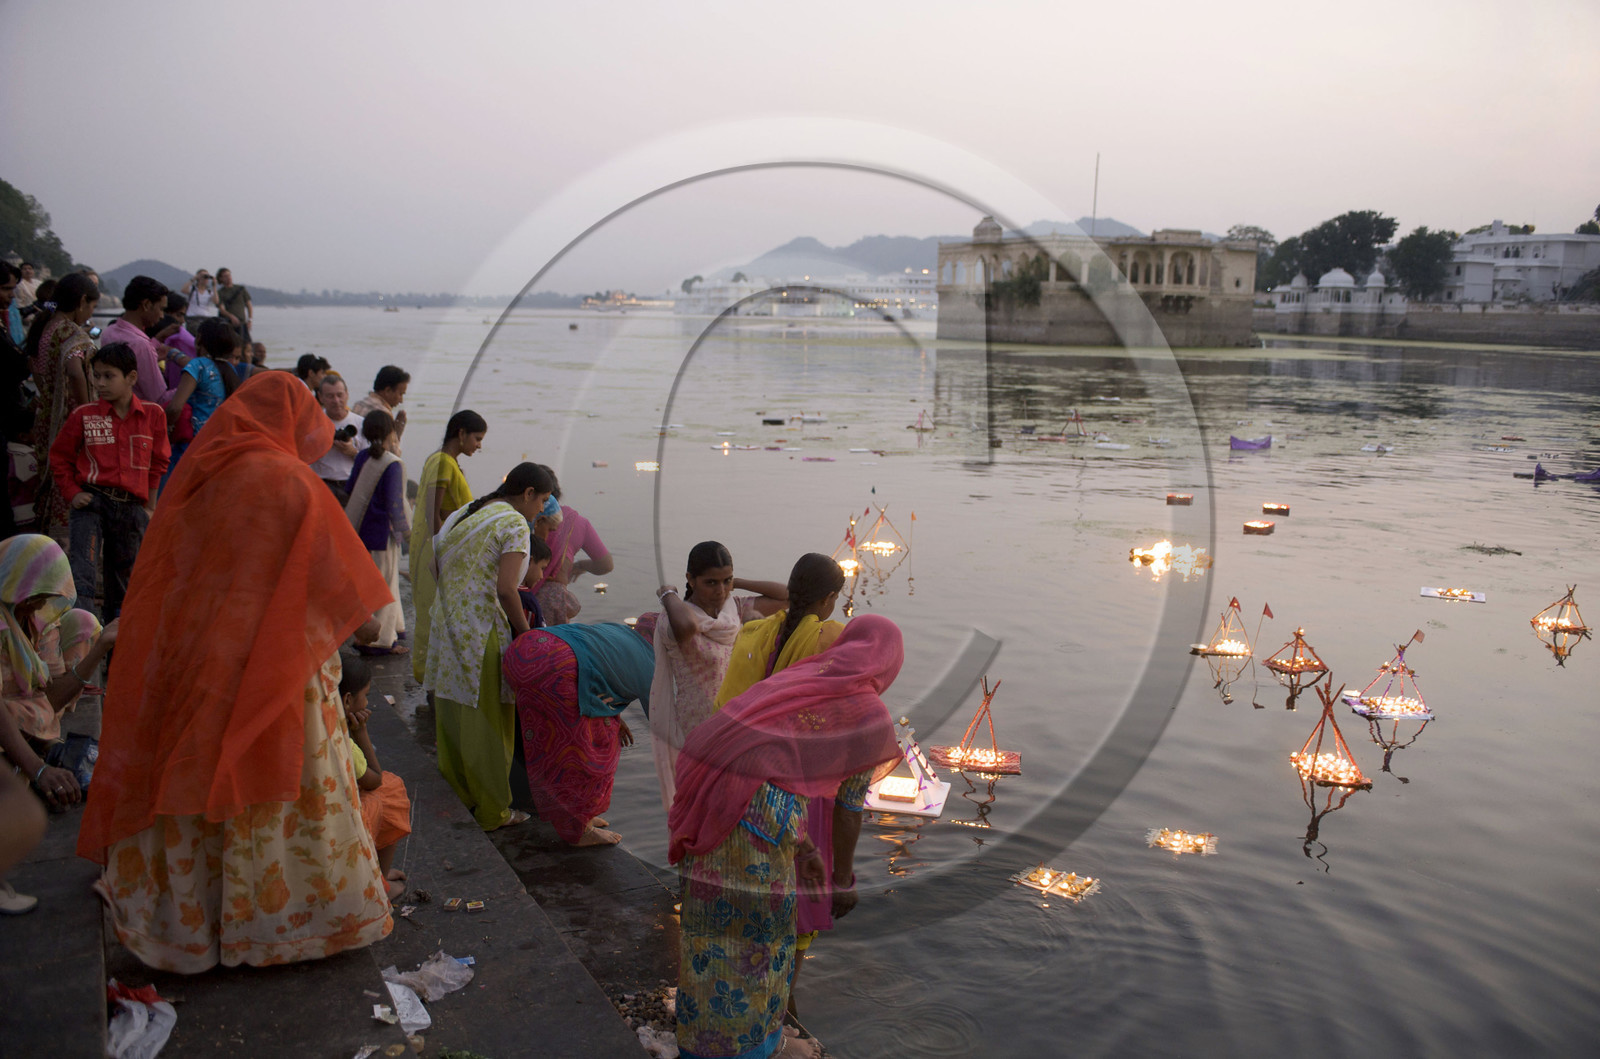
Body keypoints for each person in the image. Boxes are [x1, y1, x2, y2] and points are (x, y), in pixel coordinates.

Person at [77, 372, 395, 973]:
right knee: (275, 782)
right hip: (278, 664)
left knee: (197, 775)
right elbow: (358, 610)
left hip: (201, 653)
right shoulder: (293, 482)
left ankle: (190, 929)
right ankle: (279, 927)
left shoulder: (204, 475)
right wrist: (359, 633)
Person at [668, 615, 905, 1059]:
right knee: (761, 940)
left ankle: (701, 1043)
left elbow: (766, 763)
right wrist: (844, 880)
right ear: (888, 663)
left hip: (709, 796)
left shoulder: (803, 676)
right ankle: (748, 1048)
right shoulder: (867, 712)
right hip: (753, 823)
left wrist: (806, 848)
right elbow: (849, 808)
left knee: (708, 929)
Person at [712, 552, 848, 1014]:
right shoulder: (830, 635)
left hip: (742, 781)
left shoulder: (754, 631)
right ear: (830, 599)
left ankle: (748, 992)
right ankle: (784, 1001)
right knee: (803, 894)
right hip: (802, 784)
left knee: (755, 891)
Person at [424, 461, 553, 831]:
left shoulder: (470, 512)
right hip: (481, 632)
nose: (542, 508)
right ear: (527, 493)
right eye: (542, 499)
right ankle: (493, 810)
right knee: (491, 725)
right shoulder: (513, 522)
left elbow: (434, 565)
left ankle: (461, 796)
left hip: (448, 624)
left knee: (454, 717)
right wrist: (526, 633)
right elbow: (506, 588)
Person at [0, 536, 112, 915]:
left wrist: (99, 647)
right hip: (17, 716)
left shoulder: (35, 620)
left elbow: (51, 698)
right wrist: (40, 768)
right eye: (34, 594)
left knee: (84, 623)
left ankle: (31, 753)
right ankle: (25, 759)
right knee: (27, 717)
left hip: (31, 714)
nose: (37, 604)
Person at [650, 541, 788, 809]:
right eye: (711, 583)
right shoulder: (675, 619)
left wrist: (738, 583)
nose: (720, 590)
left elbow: (788, 596)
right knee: (705, 805)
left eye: (726, 581)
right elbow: (688, 627)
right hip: (698, 728)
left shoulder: (732, 611)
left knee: (735, 807)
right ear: (690, 579)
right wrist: (668, 594)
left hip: (734, 721)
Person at [502, 617, 654, 848]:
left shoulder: (619, 631)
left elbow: (602, 668)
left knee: (548, 744)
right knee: (582, 755)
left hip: (522, 651)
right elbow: (663, 723)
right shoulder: (650, 661)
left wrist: (615, 717)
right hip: (556, 669)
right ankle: (578, 830)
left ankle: (579, 815)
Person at [49, 343, 171, 621]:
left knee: (125, 580)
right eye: (96, 375)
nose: (100, 383)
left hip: (131, 506)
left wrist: (150, 506)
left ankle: (117, 644)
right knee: (83, 573)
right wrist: (72, 493)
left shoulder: (153, 415)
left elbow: (158, 463)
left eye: (109, 376)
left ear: (131, 378)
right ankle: (83, 638)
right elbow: (59, 457)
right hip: (92, 501)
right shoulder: (84, 415)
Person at [21, 271, 101, 539]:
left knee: (51, 475)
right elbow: (76, 373)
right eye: (91, 307)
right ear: (81, 301)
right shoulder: (68, 330)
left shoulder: (47, 326)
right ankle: (64, 542)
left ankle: (47, 538)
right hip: (67, 419)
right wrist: (89, 412)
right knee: (66, 478)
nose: (90, 314)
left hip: (46, 417)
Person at [409, 409, 486, 684]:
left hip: (439, 551)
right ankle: (434, 684)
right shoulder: (443, 462)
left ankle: (437, 682)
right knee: (434, 617)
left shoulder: (444, 461)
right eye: (477, 438)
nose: (479, 445)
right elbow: (433, 516)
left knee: (437, 617)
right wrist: (448, 554)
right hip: (438, 553)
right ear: (461, 433)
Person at [338, 651, 413, 903]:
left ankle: (375, 873)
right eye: (366, 695)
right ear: (347, 700)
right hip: (341, 817)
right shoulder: (341, 741)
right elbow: (375, 779)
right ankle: (378, 883)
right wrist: (361, 733)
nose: (367, 703)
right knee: (391, 791)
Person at [345, 410, 409, 655]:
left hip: (361, 531)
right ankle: (380, 641)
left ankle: (395, 630)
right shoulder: (392, 463)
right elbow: (395, 505)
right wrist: (407, 535)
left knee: (374, 585)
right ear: (389, 432)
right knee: (383, 585)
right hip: (382, 534)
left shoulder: (362, 457)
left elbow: (351, 488)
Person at [163, 318, 240, 481]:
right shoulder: (230, 371)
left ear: (199, 339)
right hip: (218, 447)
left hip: (190, 447)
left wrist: (163, 432)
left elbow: (175, 407)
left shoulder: (198, 366)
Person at [528, 481, 614, 627]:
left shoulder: (522, 518)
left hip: (520, 602)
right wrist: (581, 565)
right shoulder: (577, 522)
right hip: (554, 607)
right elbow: (606, 565)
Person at [100, 276, 182, 405]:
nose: (162, 316)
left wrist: (155, 343)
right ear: (146, 305)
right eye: (160, 309)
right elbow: (159, 399)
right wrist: (189, 386)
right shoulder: (141, 345)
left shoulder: (109, 332)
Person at [308, 375, 363, 500]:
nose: (336, 400)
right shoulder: (312, 422)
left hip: (351, 484)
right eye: (330, 396)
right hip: (322, 485)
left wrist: (352, 452)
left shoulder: (361, 424)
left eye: (340, 395)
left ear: (347, 394)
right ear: (320, 397)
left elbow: (371, 461)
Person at [351, 366, 409, 452]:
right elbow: (392, 454)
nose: (401, 400)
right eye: (400, 394)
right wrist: (397, 433)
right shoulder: (383, 414)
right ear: (388, 391)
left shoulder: (358, 405)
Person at [215, 268, 252, 350]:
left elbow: (249, 305)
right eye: (225, 276)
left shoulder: (240, 289)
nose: (228, 278)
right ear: (221, 278)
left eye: (229, 275)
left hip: (242, 322)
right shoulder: (220, 292)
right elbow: (221, 308)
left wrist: (250, 319)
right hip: (229, 324)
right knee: (232, 346)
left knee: (247, 346)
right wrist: (231, 316)